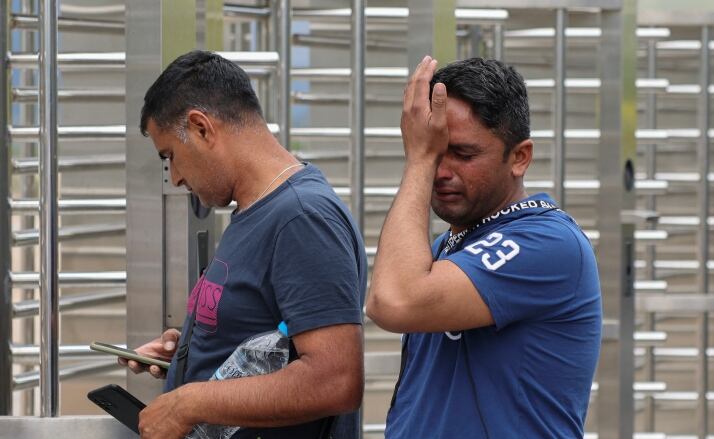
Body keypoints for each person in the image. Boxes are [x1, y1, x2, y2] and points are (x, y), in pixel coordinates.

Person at [120, 50, 367, 439]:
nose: (177, 178)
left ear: (201, 128)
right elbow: (268, 341)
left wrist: (190, 403)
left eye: (170, 157)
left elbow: (335, 380)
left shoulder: (302, 218)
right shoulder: (256, 210)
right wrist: (191, 349)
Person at [366, 56, 602, 438]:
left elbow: (393, 302)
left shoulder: (548, 243)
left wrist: (419, 160)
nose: (441, 171)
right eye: (435, 151)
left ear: (520, 157)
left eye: (463, 154)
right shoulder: (448, 247)